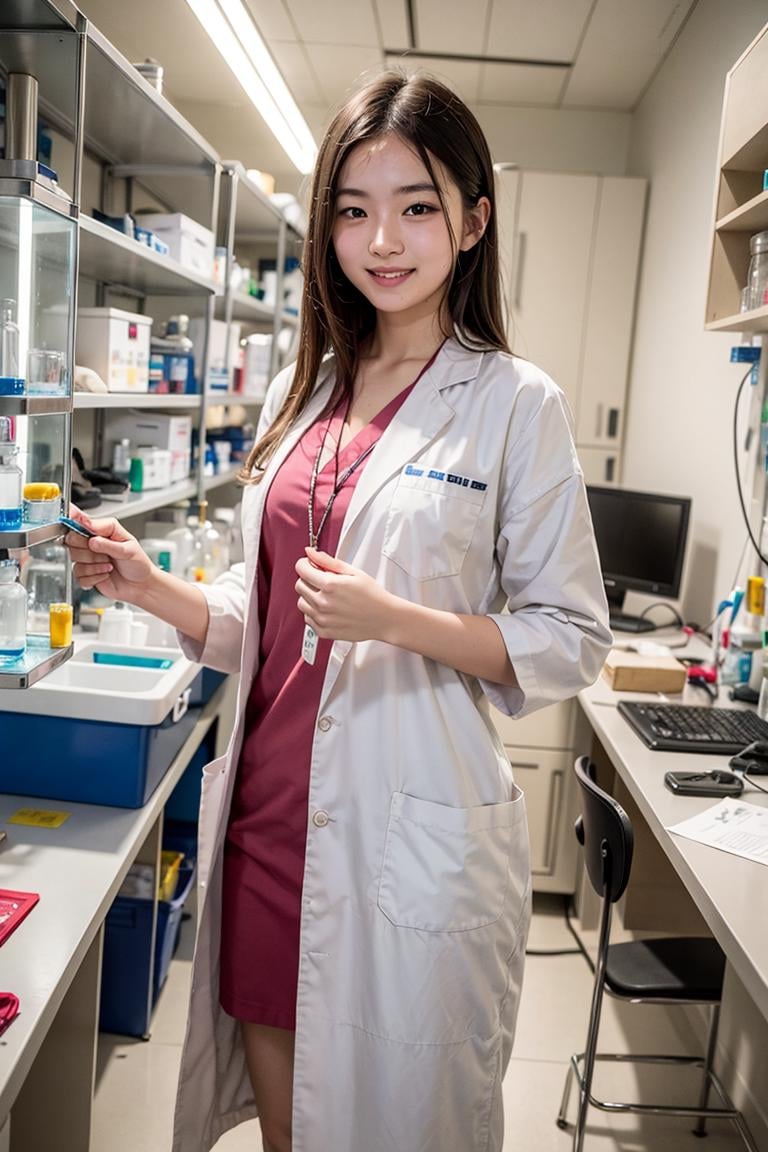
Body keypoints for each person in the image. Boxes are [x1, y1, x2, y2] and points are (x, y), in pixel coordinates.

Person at [66, 71, 612, 1152]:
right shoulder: (301, 386)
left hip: (408, 827)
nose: (384, 240)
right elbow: (258, 616)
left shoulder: (515, 404)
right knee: (286, 1129)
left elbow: (572, 635)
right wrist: (147, 585)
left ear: (474, 218)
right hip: (271, 823)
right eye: (353, 210)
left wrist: (395, 617)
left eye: (416, 205)